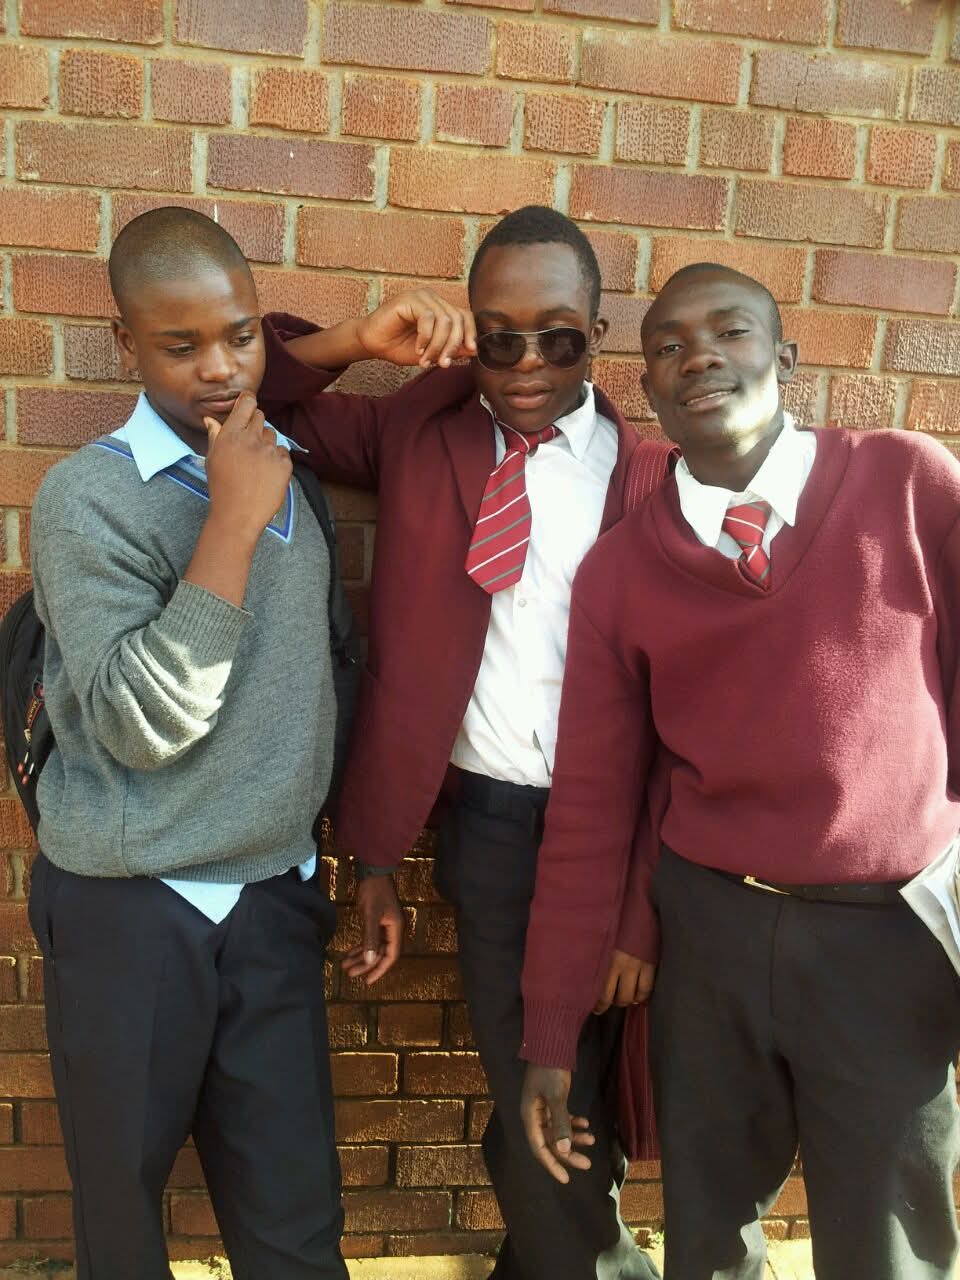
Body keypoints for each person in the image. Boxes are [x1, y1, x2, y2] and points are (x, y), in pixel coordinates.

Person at [519, 261, 960, 1280]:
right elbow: (590, 806)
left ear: (785, 358)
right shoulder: (622, 571)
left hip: (887, 937)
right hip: (712, 936)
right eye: (667, 346)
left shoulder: (909, 484)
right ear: (647, 388)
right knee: (710, 1235)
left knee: (889, 1242)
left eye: (730, 331)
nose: (698, 356)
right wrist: (551, 1031)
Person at [256, 206, 662, 1280]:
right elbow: (251, 392)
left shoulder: (646, 477)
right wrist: (357, 340)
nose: (526, 365)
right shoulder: (418, 431)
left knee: (583, 1083)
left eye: (558, 339)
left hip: (617, 833)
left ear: (598, 334)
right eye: (499, 337)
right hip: (490, 829)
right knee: (538, 1085)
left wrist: (638, 905)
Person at [28, 207, 350, 1280]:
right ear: (126, 343)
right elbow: (138, 722)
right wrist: (231, 524)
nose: (219, 368)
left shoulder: (277, 461)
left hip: (270, 897)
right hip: (135, 908)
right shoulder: (89, 496)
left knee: (296, 1224)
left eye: (241, 335)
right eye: (181, 345)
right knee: (122, 1223)